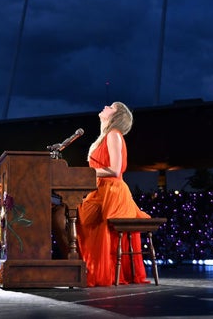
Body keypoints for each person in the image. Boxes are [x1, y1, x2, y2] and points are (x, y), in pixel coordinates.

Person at [76, 101, 151, 287]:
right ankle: (90, 268)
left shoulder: (114, 135)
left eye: (111, 107)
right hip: (100, 189)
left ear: (115, 116)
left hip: (112, 191)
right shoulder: (104, 136)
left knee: (98, 223)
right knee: (80, 218)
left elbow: (116, 170)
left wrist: (87, 173)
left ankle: (103, 272)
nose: (105, 107)